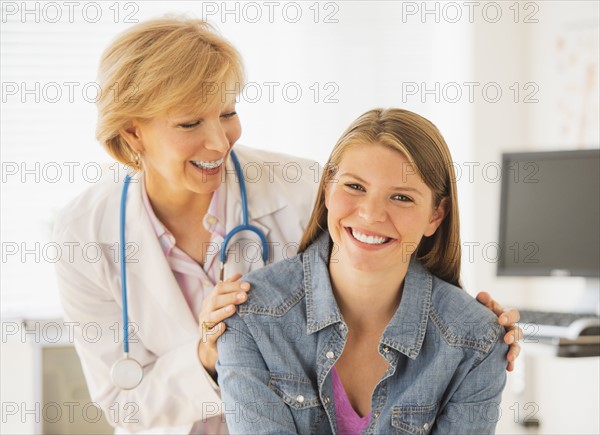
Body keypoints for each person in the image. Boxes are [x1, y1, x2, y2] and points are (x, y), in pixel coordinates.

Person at [53, 17, 521, 434]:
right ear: (133, 131)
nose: (219, 141)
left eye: (228, 113)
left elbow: (383, 250)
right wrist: (210, 356)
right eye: (190, 122)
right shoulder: (83, 233)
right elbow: (123, 403)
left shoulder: (298, 187)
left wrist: (477, 327)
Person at [217, 108, 509, 434]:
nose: (371, 215)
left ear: (435, 216)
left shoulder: (475, 340)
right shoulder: (250, 317)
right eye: (355, 187)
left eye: (401, 197)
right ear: (328, 187)